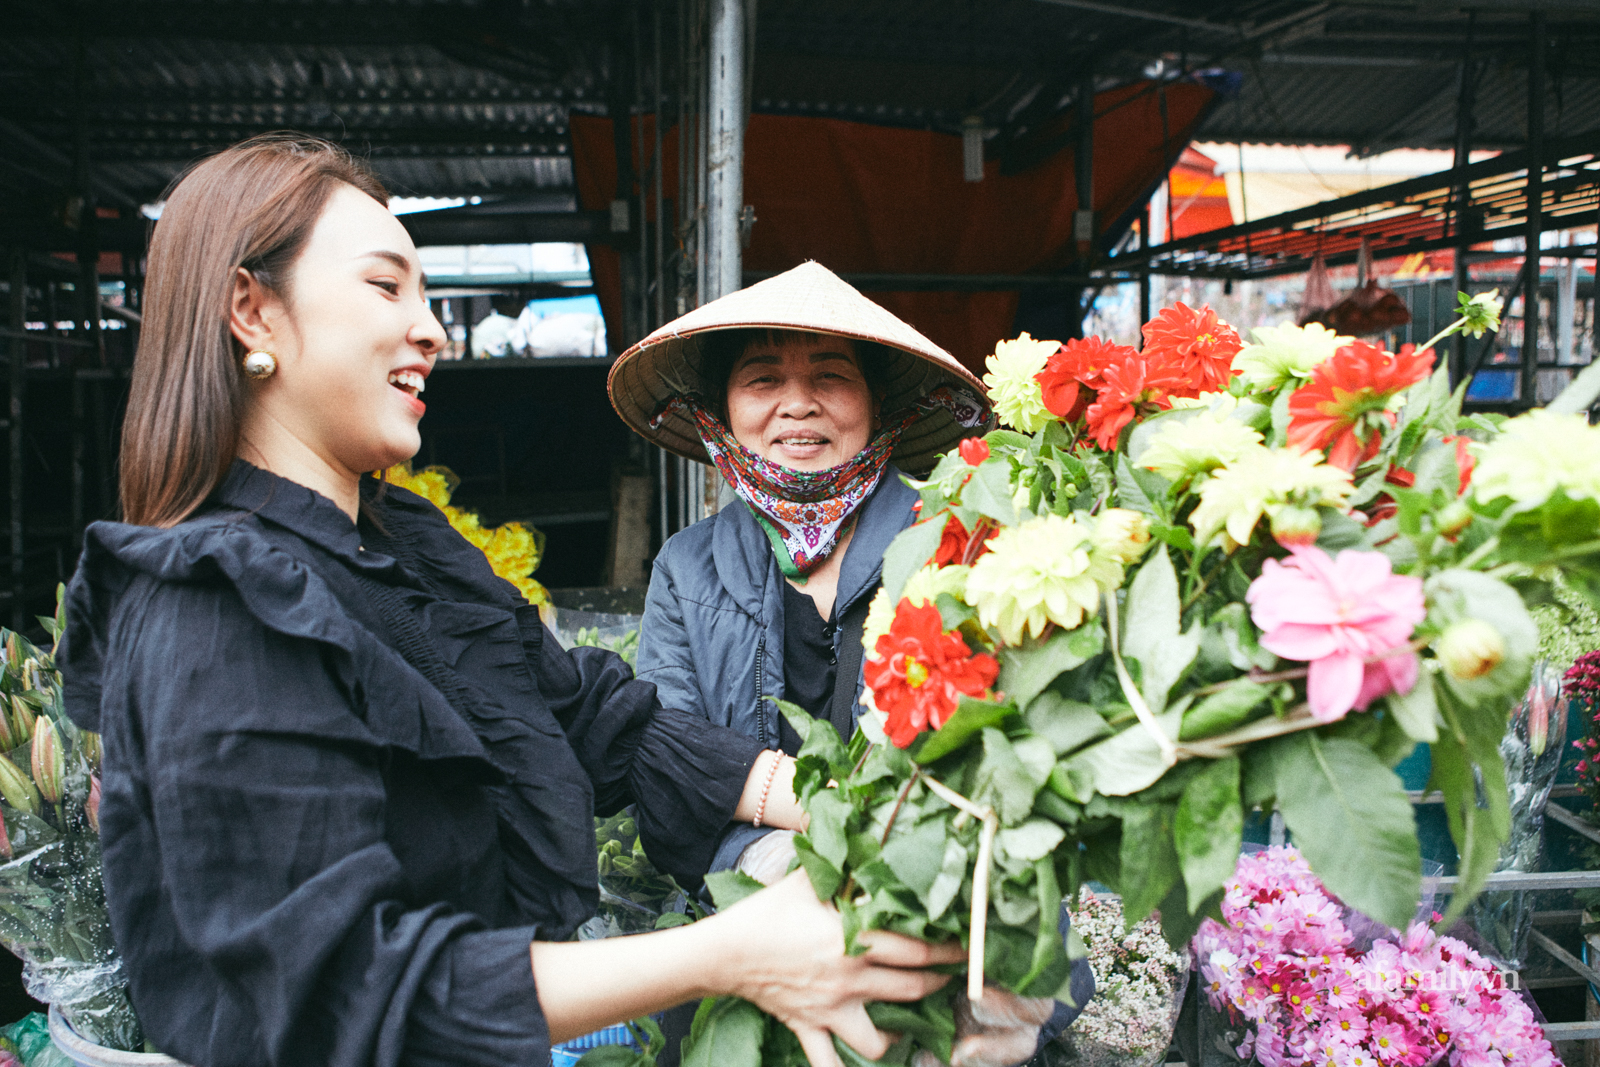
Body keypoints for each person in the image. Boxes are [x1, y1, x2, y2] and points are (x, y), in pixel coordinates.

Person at [57, 136, 964, 1067]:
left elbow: (595, 717)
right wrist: (728, 954)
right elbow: (347, 994)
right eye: (385, 286)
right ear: (252, 311)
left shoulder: (404, 541)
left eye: (423, 291)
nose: (431, 329)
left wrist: (845, 809)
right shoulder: (214, 606)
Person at [608, 264, 1094, 1067]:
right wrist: (775, 869)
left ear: (875, 405)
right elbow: (664, 771)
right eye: (764, 377)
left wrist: (910, 894)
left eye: (829, 376)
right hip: (760, 938)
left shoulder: (958, 536)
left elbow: (1027, 746)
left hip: (957, 925)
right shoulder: (686, 569)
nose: (797, 402)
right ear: (723, 408)